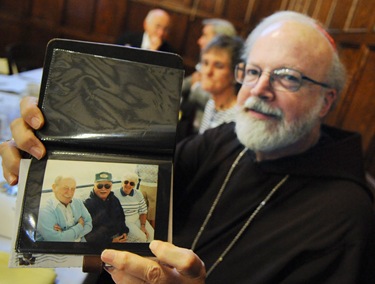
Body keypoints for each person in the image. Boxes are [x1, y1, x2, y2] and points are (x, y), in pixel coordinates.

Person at [1, 10, 375, 284]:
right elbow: (138, 176)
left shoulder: (349, 218)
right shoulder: (227, 138)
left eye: (288, 77)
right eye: (254, 71)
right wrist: (54, 147)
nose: (259, 89)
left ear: (326, 102)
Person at [195, 34, 243, 134]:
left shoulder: (236, 118)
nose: (208, 72)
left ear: (235, 74)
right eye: (205, 63)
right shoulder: (211, 103)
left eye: (218, 66)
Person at [36, 175, 92, 242]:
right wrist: (79, 226)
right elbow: (56, 240)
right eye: (65, 188)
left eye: (73, 189)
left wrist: (65, 234)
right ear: (54, 187)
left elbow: (89, 224)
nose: (70, 193)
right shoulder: (44, 210)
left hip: (80, 248)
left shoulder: (78, 202)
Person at [83, 171, 129, 244]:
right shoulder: (87, 205)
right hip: (100, 243)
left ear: (111, 186)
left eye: (107, 186)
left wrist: (124, 231)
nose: (103, 189)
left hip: (118, 237)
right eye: (100, 186)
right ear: (94, 186)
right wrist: (110, 241)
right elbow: (88, 234)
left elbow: (121, 218)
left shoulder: (114, 199)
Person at [113, 171, 154, 242]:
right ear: (122, 182)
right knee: (142, 238)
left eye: (131, 183)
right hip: (125, 220)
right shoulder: (114, 194)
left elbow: (143, 211)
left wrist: (143, 226)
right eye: (126, 182)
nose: (128, 185)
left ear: (134, 185)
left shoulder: (138, 193)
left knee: (152, 235)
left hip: (137, 218)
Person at [135, 164, 158, 228]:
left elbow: (136, 174)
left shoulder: (140, 164)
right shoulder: (156, 164)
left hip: (142, 185)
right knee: (152, 208)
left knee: (143, 206)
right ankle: (152, 228)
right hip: (154, 186)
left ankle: (144, 226)